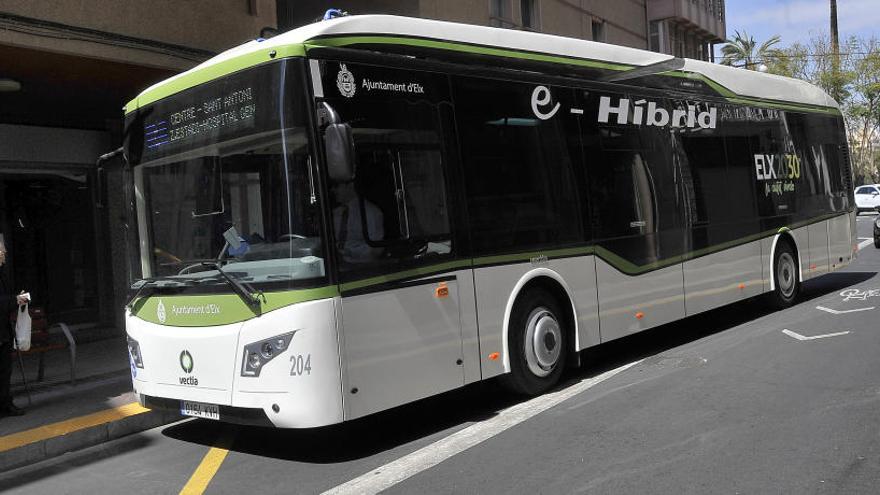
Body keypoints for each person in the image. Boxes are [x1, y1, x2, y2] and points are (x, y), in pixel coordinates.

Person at [0, 244, 29, 417]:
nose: (4, 252)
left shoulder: (2, 273)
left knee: (5, 371)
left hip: (3, 332)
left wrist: (17, 299)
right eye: (1, 249)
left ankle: (6, 404)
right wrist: (14, 300)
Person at [332, 181, 384, 264]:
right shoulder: (335, 213)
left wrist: (346, 251)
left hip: (362, 267)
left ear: (351, 185)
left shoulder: (370, 212)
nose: (333, 190)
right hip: (335, 265)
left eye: (336, 185)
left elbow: (376, 249)